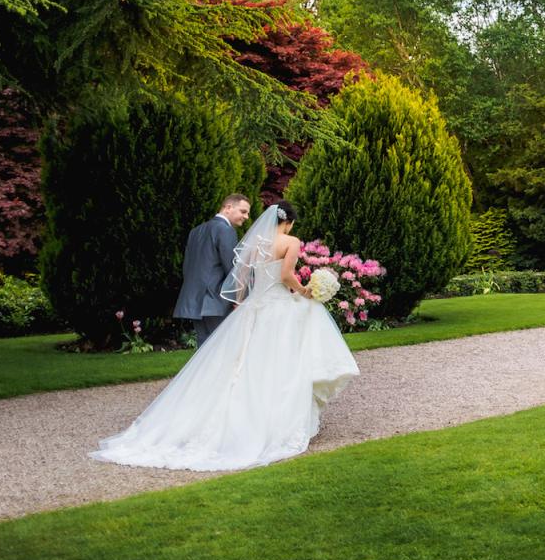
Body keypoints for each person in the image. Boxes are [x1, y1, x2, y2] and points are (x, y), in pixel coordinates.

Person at [92, 200, 359, 471]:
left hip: (254, 307)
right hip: (278, 307)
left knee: (240, 363)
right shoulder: (291, 241)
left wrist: (241, 303)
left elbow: (241, 277)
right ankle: (272, 420)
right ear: (288, 222)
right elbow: (286, 275)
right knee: (279, 361)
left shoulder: (255, 242)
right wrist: (304, 291)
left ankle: (227, 418)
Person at [173, 194, 249, 347]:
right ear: (228, 208)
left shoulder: (196, 231)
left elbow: (187, 266)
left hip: (194, 299)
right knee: (222, 348)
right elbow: (232, 268)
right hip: (216, 300)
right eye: (243, 211)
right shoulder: (226, 230)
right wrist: (240, 297)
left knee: (204, 349)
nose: (246, 217)